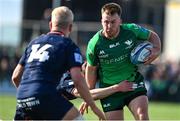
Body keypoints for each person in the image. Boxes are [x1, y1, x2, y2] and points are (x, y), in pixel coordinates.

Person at [11, 6, 105, 120]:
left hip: (22, 98)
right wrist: (94, 107)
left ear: (51, 25)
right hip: (45, 95)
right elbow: (78, 79)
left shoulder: (33, 43)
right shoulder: (68, 45)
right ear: (70, 27)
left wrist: (29, 97)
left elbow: (15, 77)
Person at [85, 2, 161, 120]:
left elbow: (152, 36)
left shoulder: (131, 30)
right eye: (106, 22)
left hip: (132, 83)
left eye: (113, 22)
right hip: (110, 90)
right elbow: (91, 69)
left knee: (142, 115)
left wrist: (157, 49)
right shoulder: (94, 44)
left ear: (120, 21)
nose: (109, 26)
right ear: (101, 21)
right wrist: (88, 94)